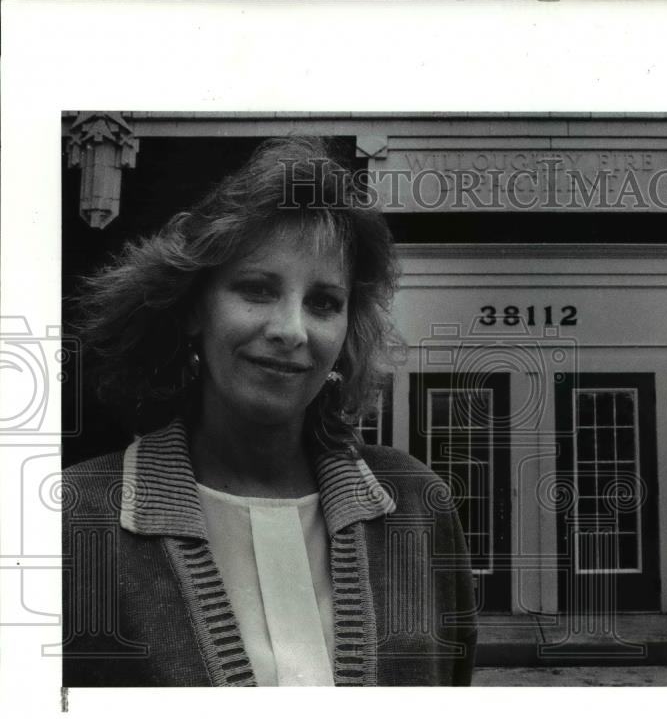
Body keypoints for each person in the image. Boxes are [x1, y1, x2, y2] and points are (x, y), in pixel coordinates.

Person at [62, 137, 476, 686]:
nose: (291, 330)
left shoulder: (419, 507)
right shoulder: (70, 520)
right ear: (194, 309)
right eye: (257, 289)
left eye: (324, 302)